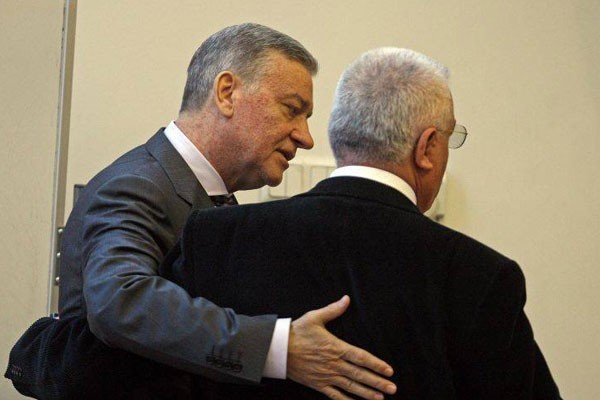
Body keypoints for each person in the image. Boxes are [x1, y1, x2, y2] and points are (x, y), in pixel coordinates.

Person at [5, 24, 397, 400]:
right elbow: (120, 300)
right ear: (227, 93)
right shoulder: (139, 184)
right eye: (292, 109)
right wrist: (279, 348)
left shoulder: (206, 196)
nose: (306, 137)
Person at [161, 47, 562, 399]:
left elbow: (155, 374)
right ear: (426, 148)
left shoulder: (214, 238)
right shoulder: (480, 277)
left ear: (340, 135)